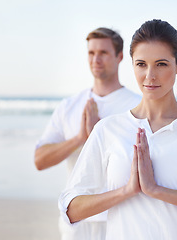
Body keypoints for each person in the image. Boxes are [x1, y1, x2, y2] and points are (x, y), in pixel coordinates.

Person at [59, 19, 177, 239]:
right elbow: (71, 209)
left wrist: (157, 190)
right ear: (132, 64)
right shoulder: (108, 130)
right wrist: (126, 191)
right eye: (141, 64)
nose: (150, 76)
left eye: (161, 64)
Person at [35, 28, 141, 240]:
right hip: (78, 218)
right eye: (91, 53)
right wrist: (79, 139)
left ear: (120, 57)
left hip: (122, 216)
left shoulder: (137, 106)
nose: (96, 59)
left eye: (103, 52)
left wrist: (100, 136)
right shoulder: (70, 106)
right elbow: (40, 160)